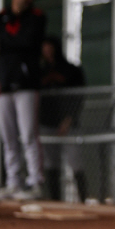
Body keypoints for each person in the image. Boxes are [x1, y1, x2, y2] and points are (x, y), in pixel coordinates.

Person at [0, 0, 46, 199]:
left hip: (26, 84)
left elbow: (28, 41)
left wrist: (4, 41)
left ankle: (35, 183)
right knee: (8, 137)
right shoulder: (0, 16)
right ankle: (13, 182)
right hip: (3, 84)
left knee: (28, 135)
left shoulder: (36, 17)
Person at [40, 36, 87, 202]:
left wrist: (69, 119)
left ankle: (83, 200)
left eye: (49, 47)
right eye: (44, 47)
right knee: (51, 164)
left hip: (69, 124)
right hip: (47, 123)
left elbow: (79, 97)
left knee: (75, 162)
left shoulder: (71, 70)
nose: (47, 51)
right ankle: (55, 201)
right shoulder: (40, 72)